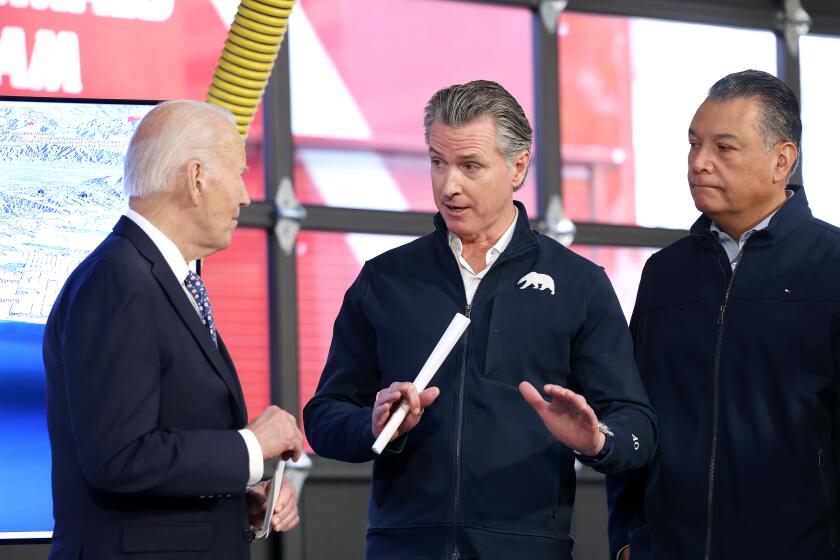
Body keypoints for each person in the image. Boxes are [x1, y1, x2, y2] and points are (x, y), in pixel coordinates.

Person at [303, 80, 657, 559]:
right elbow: (324, 418)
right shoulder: (384, 280)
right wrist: (373, 425)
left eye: (470, 166)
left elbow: (637, 425)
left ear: (518, 166)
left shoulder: (579, 285)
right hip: (402, 547)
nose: (449, 185)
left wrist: (598, 441)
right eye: (437, 161)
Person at [43, 100, 303, 559]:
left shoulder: (148, 276)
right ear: (197, 178)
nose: (246, 196)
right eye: (240, 173)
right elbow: (120, 457)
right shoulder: (119, 281)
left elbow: (158, 446)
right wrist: (250, 446)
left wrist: (233, 501)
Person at [607, 69, 840, 560]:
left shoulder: (831, 265)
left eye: (723, 148)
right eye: (694, 144)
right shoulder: (664, 274)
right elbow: (635, 411)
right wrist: (627, 539)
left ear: (782, 160)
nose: (699, 163)